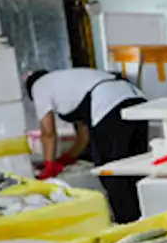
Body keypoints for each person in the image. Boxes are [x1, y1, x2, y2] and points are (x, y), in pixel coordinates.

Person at [26, 68, 150, 223]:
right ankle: (149, 216)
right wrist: (69, 157)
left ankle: (128, 223)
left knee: (109, 170)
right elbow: (84, 134)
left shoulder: (39, 86)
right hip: (135, 98)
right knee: (135, 166)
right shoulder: (68, 83)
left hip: (109, 104)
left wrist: (49, 165)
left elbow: (48, 132)